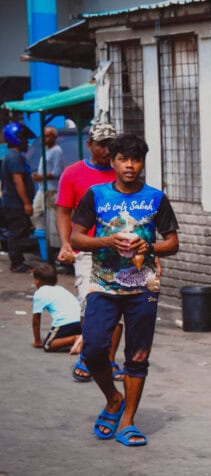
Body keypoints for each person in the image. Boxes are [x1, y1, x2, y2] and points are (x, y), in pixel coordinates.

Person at [69, 133, 179, 447]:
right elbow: (76, 239)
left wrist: (152, 247)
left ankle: (128, 420)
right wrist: (106, 240)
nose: (130, 166)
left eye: (136, 160)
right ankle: (113, 399)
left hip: (143, 288)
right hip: (103, 285)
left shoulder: (156, 198)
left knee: (138, 356)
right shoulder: (96, 195)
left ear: (142, 163)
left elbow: (173, 243)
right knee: (92, 350)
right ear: (113, 162)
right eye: (123, 159)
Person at [56, 122, 121, 383]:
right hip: (85, 249)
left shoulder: (122, 173)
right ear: (90, 144)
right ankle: (89, 355)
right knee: (91, 303)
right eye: (102, 144)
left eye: (111, 144)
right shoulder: (73, 174)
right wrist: (65, 243)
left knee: (118, 306)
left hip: (118, 250)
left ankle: (109, 359)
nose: (107, 150)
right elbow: (63, 210)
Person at [1, 121, 36, 273]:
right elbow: (18, 181)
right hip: (15, 204)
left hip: (11, 203)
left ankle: (18, 260)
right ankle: (17, 263)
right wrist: (27, 203)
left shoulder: (11, 156)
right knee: (16, 232)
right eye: (24, 138)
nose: (26, 142)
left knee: (16, 232)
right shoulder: (14, 157)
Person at [31, 126, 65, 261]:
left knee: (53, 220)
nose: (46, 138)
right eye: (44, 135)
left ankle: (54, 251)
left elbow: (57, 172)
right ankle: (43, 240)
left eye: (49, 136)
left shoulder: (57, 151)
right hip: (42, 189)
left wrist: (41, 177)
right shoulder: (46, 150)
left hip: (51, 190)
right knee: (36, 213)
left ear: (54, 137)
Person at [31, 262, 81, 352]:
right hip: (80, 321)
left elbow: (36, 320)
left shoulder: (40, 292)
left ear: (37, 280)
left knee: (48, 345)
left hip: (64, 322)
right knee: (69, 331)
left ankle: (75, 339)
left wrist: (37, 340)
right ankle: (81, 339)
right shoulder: (61, 289)